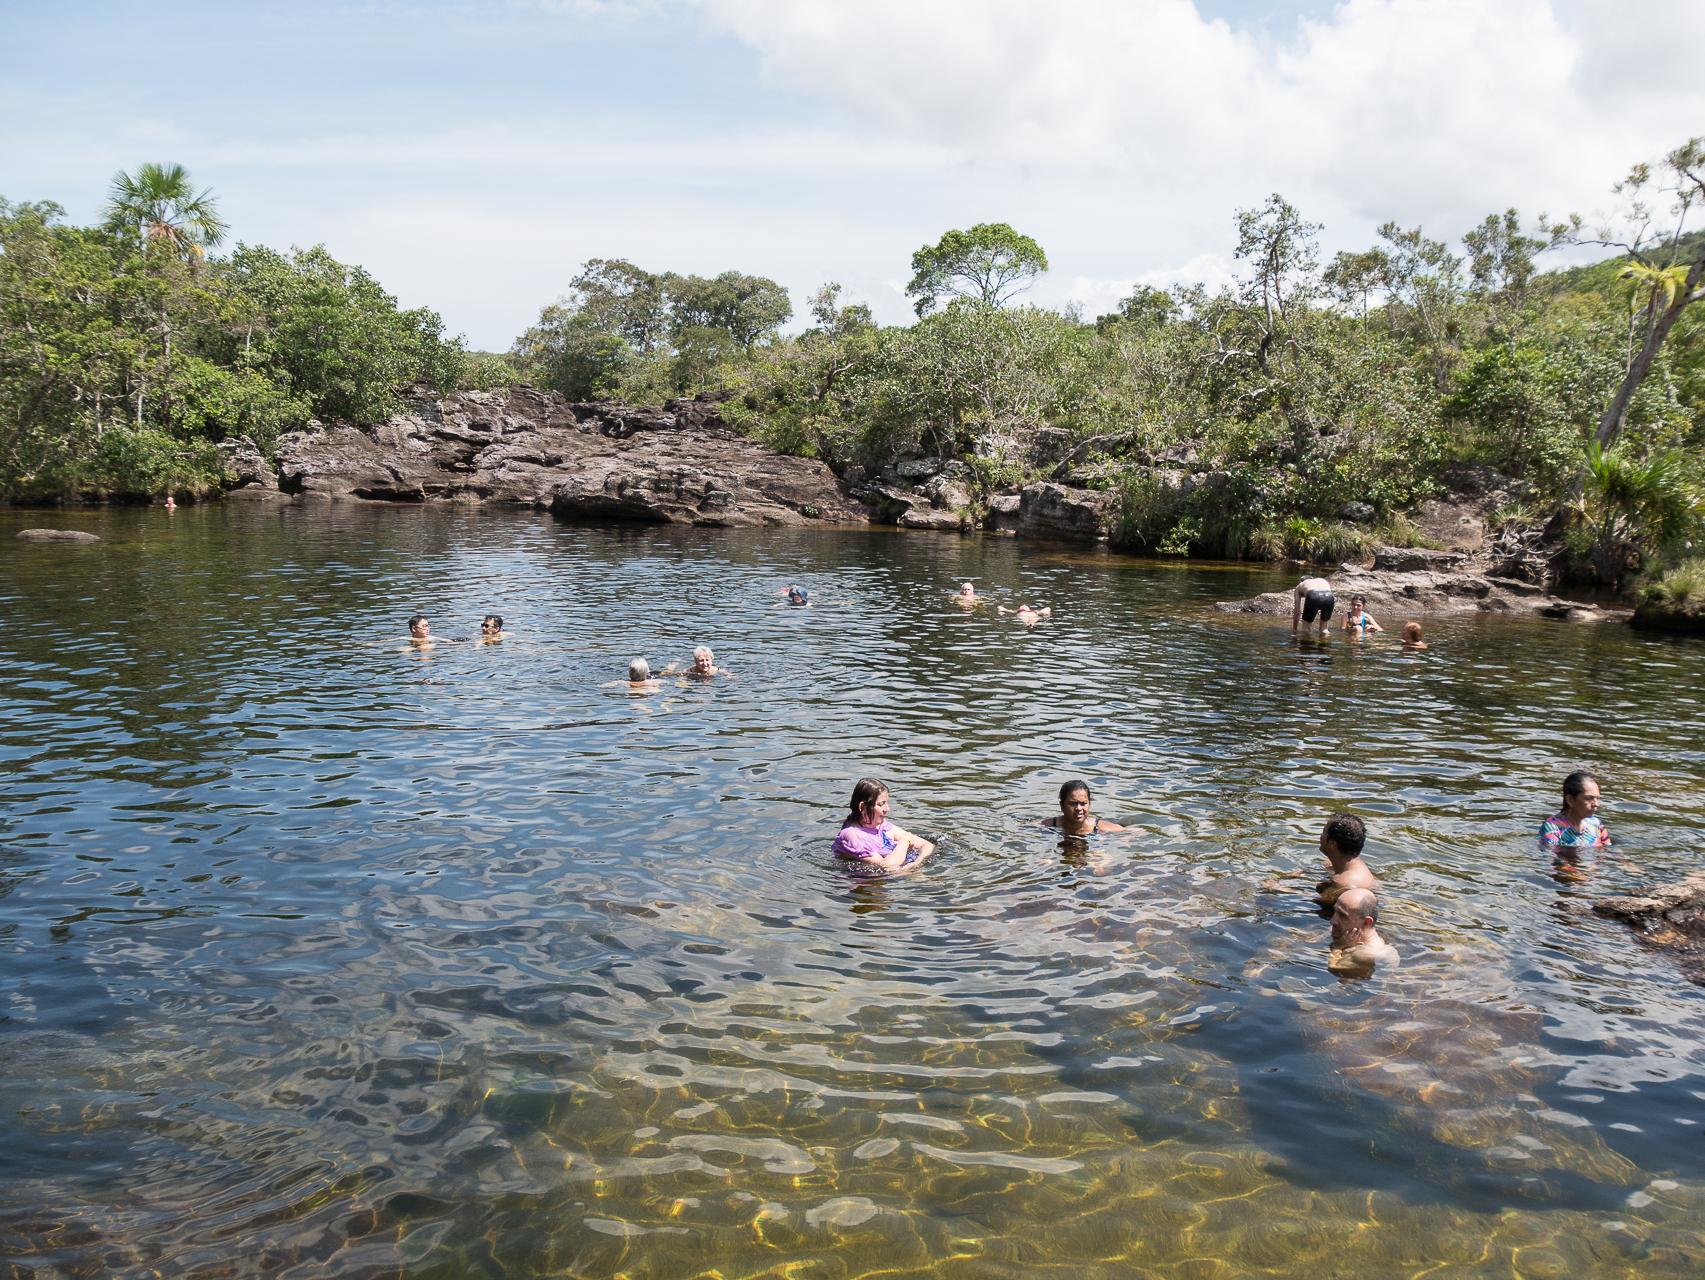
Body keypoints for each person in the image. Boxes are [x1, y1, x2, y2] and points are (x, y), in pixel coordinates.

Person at [832, 777, 936, 874]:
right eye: (881, 804)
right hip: (868, 885)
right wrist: (905, 840)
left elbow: (927, 845)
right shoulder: (851, 835)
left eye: (886, 803)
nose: (887, 809)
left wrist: (916, 863)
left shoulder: (882, 826)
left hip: (904, 873)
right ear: (863, 807)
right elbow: (888, 866)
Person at [1327, 887, 1399, 978]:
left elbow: (1334, 971)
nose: (1332, 921)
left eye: (1342, 915)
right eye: (1335, 911)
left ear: (1366, 923)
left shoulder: (1368, 955)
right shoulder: (1343, 933)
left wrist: (1338, 947)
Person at [1314, 812, 1377, 907]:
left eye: (1323, 832)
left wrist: (1287, 891)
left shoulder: (1344, 883)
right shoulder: (1332, 865)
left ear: (1332, 843)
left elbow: (1319, 900)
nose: (1320, 837)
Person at [1539, 771, 1610, 851]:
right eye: (1589, 799)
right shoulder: (1553, 827)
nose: (1596, 804)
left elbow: (1609, 851)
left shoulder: (1596, 825)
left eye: (1597, 798)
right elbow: (1549, 857)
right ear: (1570, 800)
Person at [1040, 780, 1125, 834]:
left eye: (1083, 803)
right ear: (1062, 806)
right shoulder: (1050, 825)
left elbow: (1133, 831)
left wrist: (1125, 839)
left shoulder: (1098, 827)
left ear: (1089, 804)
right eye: (1072, 803)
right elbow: (1027, 827)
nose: (1079, 808)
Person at [664, 646, 732, 679]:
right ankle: (674, 664)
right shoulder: (689, 671)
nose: (705, 663)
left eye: (707, 660)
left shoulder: (716, 670)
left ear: (712, 660)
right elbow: (673, 675)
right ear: (696, 662)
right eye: (701, 660)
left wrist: (731, 677)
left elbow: (730, 675)